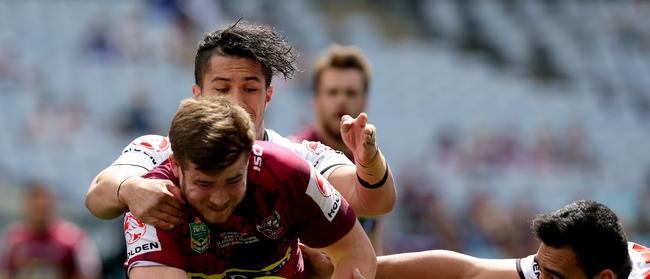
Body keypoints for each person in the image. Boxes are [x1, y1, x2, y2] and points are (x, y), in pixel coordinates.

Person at [85, 21, 396, 231]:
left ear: (268, 95)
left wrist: (369, 163)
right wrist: (129, 189)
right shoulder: (160, 150)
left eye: (250, 88)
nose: (235, 100)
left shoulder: (298, 158)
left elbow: (374, 202)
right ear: (198, 94)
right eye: (222, 89)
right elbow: (98, 195)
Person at [123, 97, 376, 278]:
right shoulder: (151, 202)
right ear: (176, 165)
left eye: (233, 180)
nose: (219, 198)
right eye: (204, 183)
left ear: (249, 155)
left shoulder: (288, 173)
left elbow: (356, 253)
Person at [354, 200, 650, 279]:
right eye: (540, 271)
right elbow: (464, 273)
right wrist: (356, 268)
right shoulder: (565, 262)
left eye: (555, 278)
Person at [292, 44, 387, 253]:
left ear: (365, 102)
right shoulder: (294, 158)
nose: (342, 100)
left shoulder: (370, 161)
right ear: (315, 101)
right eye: (332, 92)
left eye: (351, 93)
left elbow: (372, 240)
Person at [0, 182, 101, 279]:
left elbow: (90, 273)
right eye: (35, 208)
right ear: (26, 206)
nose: (39, 213)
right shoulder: (11, 239)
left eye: (43, 208)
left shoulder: (73, 238)